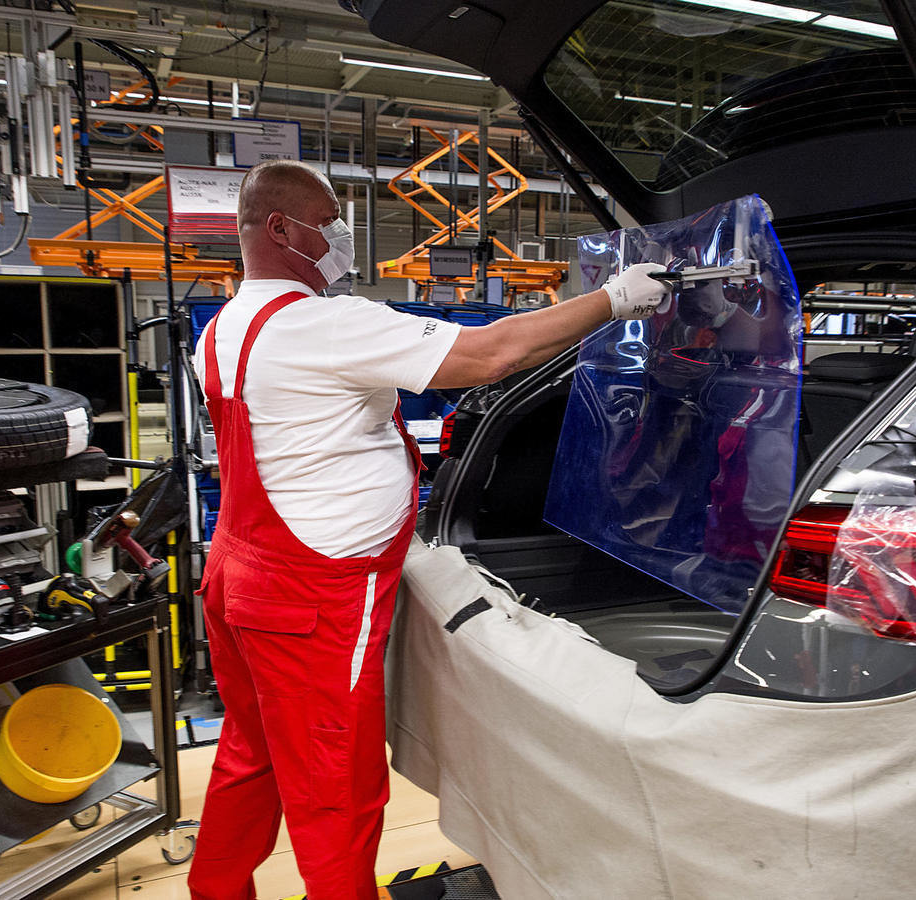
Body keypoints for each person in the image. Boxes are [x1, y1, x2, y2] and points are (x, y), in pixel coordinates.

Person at [186, 159, 668, 900]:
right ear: (281, 228)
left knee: (249, 756)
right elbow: (492, 354)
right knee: (335, 789)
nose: (340, 237)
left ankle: (216, 891)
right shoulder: (325, 324)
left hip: (238, 576)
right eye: (329, 221)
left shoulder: (223, 328)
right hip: (310, 600)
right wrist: (613, 299)